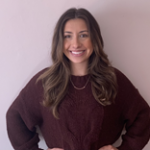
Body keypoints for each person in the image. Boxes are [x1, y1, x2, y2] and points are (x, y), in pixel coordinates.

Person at [6, 8, 150, 150]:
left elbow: (144, 116)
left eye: (83, 35)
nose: (75, 44)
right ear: (59, 41)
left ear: (94, 38)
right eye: (68, 36)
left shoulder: (113, 80)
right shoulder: (45, 82)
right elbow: (15, 117)